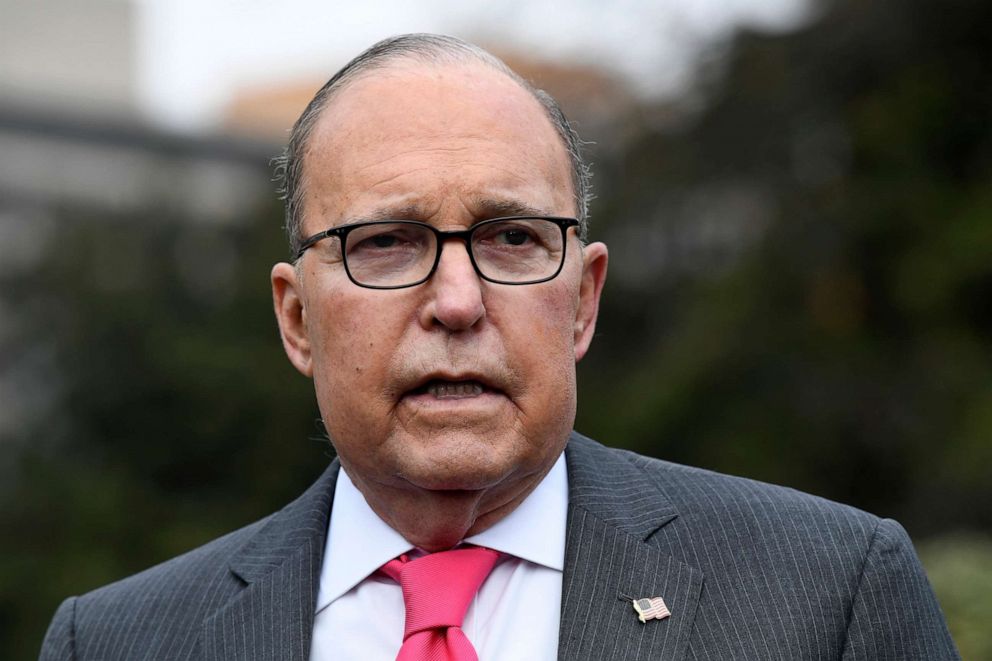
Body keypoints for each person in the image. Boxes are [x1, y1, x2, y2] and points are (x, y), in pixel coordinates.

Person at [40, 33, 958, 661]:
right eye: (387, 242)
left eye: (512, 239)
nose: (456, 301)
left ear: (584, 302)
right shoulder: (121, 641)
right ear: (296, 320)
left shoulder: (826, 597)